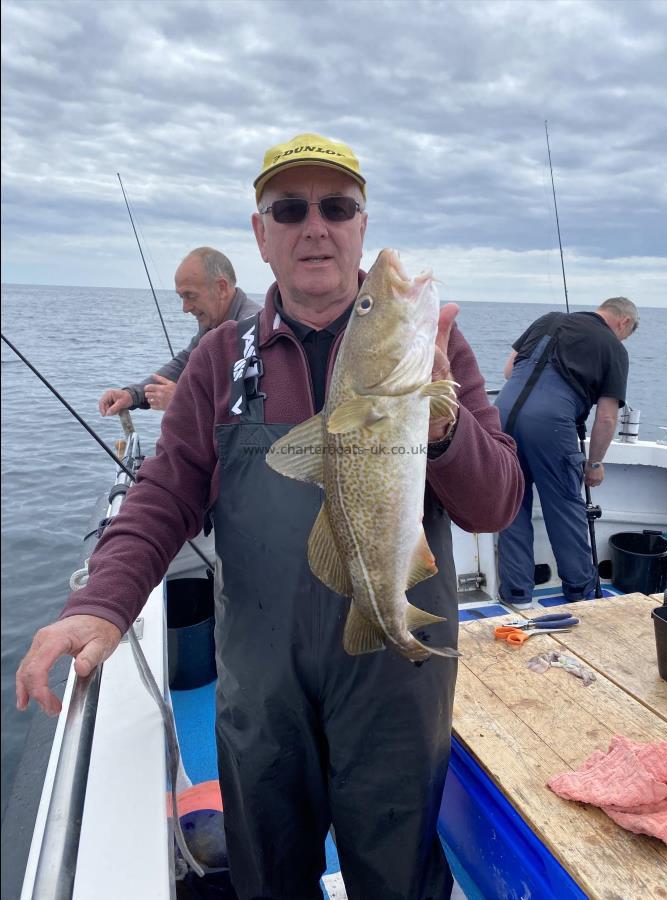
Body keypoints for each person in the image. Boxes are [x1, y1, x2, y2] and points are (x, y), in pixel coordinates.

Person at [16, 133, 523, 900]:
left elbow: (496, 504)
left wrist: (443, 426)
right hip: (261, 681)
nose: (313, 225)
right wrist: (102, 604)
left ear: (359, 224)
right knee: (267, 874)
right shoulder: (219, 361)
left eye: (336, 206)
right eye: (289, 208)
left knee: (397, 875)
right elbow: (164, 494)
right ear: (261, 233)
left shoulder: (435, 350)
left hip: (394, 674)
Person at [495, 297, 639, 608]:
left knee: (512, 506)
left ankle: (517, 596)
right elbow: (606, 417)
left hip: (501, 416)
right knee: (565, 508)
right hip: (551, 425)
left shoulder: (547, 319)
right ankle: (579, 594)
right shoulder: (614, 348)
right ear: (623, 322)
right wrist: (595, 462)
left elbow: (509, 371)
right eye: (625, 335)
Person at [98, 247, 259, 415]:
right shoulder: (213, 322)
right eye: (182, 297)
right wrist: (132, 395)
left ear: (221, 288)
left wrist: (183, 400)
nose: (185, 308)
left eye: (190, 296)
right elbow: (185, 363)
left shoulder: (252, 329)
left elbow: (249, 407)